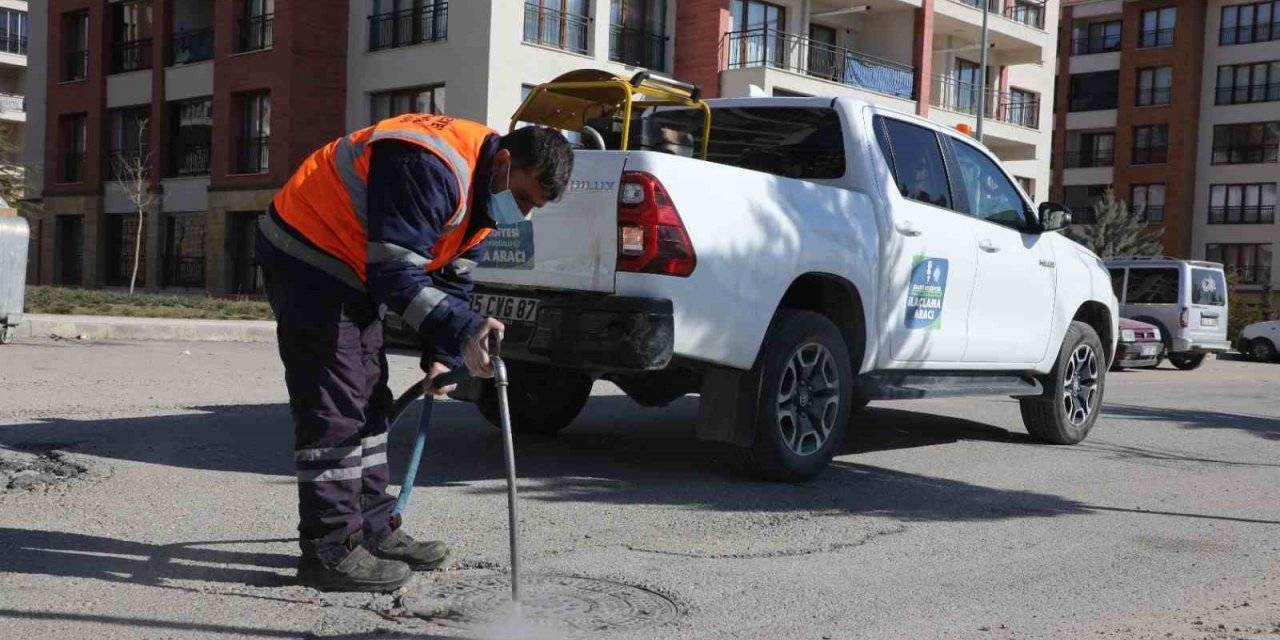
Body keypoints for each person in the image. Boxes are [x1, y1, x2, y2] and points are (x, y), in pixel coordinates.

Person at [256, 114, 573, 592]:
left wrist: (442, 352)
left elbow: (450, 277)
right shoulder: (430, 164)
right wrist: (466, 330)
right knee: (337, 404)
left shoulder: (484, 197)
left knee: (369, 398)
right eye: (524, 198)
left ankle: (373, 529)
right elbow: (397, 274)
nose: (522, 214)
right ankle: (330, 550)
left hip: (351, 264)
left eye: (534, 207)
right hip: (310, 251)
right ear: (505, 161)